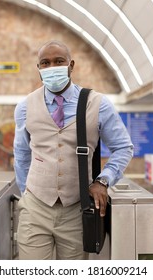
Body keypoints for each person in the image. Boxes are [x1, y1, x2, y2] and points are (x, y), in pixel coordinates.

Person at [13, 40, 133, 260]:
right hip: (35, 207)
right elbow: (21, 155)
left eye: (59, 61)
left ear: (71, 65)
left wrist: (103, 180)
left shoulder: (98, 104)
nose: (52, 67)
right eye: (45, 63)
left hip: (77, 210)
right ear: (39, 69)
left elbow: (123, 147)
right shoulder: (25, 107)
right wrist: (26, 194)